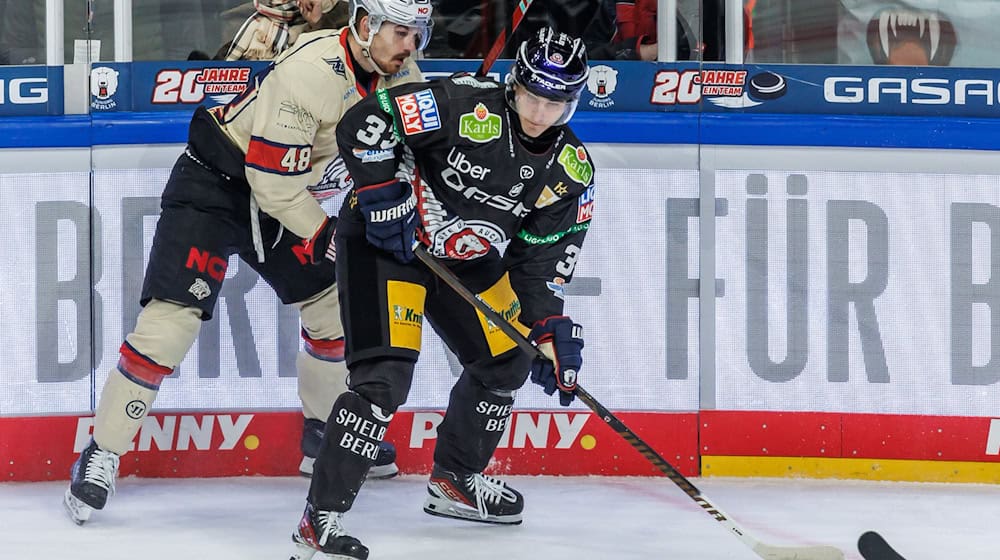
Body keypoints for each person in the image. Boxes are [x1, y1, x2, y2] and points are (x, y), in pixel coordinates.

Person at [63, 0, 434, 526]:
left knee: (331, 309)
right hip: (217, 188)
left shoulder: (402, 73)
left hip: (284, 198)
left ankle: (323, 432)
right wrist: (330, 232)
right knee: (171, 323)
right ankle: (102, 451)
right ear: (365, 25)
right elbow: (273, 185)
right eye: (401, 33)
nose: (410, 46)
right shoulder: (309, 72)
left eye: (419, 34)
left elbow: (422, 148)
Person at [288, 27, 593, 560]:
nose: (541, 113)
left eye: (557, 102)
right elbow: (368, 120)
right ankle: (322, 516)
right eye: (533, 96)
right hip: (389, 245)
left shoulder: (569, 172)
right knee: (383, 381)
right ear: (514, 85)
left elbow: (539, 266)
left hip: (465, 260)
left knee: (507, 359)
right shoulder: (459, 103)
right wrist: (381, 190)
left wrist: (547, 331)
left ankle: (456, 480)